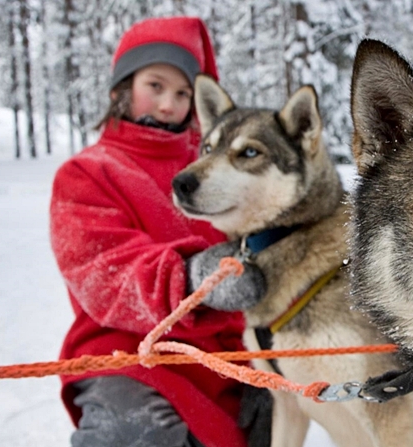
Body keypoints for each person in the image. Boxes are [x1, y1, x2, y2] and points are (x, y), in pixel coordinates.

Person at [50, 16, 266, 447]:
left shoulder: (216, 173)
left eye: (183, 92)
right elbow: (104, 271)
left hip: (227, 359)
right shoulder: (87, 173)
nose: (169, 104)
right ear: (121, 88)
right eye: (155, 86)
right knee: (132, 432)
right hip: (126, 356)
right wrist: (192, 278)